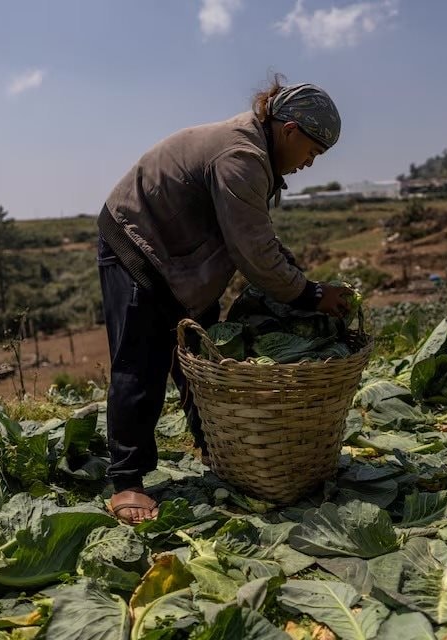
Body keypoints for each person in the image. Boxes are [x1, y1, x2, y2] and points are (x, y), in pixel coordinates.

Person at [95, 77, 353, 524]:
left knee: (202, 357)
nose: (310, 163)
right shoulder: (242, 156)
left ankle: (215, 450)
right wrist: (310, 294)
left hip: (183, 257)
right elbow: (254, 251)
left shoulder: (257, 153)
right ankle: (127, 482)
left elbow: (256, 236)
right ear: (289, 130)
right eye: (311, 151)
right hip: (139, 241)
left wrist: (296, 279)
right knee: (142, 361)